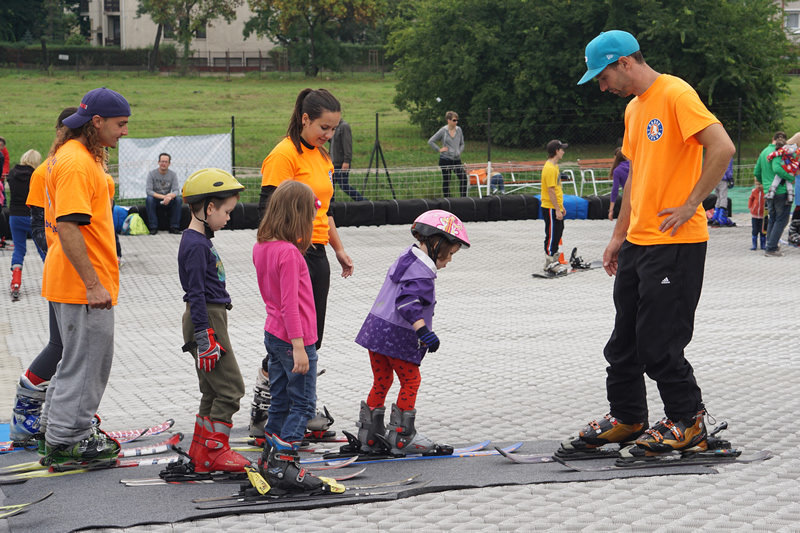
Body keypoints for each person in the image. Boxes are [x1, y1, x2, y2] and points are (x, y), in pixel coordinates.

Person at [562, 30, 735, 457]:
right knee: (624, 342)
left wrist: (692, 203)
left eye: (603, 77)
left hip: (676, 242)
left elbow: (722, 147)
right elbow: (637, 177)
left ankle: (688, 421)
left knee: (660, 341)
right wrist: (618, 236)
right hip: (638, 242)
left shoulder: (676, 94)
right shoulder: (634, 109)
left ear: (623, 62)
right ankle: (627, 417)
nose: (602, 87)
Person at [250, 88, 354, 440]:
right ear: (305, 118)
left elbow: (325, 210)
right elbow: (269, 211)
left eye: (334, 129)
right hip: (294, 252)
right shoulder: (284, 155)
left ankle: (300, 403)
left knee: (311, 337)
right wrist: (285, 255)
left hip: (318, 250)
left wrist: (338, 248)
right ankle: (267, 406)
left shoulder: (322, 157)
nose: (329, 135)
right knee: (287, 334)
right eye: (324, 127)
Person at [39, 87, 131, 464]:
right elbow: (68, 226)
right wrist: (93, 284)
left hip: (70, 278)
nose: (124, 131)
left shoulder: (76, 155)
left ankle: (54, 428)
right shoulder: (76, 162)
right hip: (81, 284)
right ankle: (69, 439)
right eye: (120, 124)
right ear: (96, 122)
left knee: (74, 361)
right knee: (90, 363)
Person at [353, 209, 469, 456]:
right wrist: (424, 332)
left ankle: (369, 435)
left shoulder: (406, 258)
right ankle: (402, 436)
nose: (449, 260)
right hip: (398, 338)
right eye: (450, 254)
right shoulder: (422, 274)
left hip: (376, 333)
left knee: (382, 380)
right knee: (411, 381)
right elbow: (407, 303)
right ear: (437, 243)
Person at [253, 180, 340, 494]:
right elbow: (290, 304)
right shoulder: (289, 253)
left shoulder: (262, 246)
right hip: (294, 340)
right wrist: (300, 347)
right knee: (302, 405)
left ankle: (268, 459)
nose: (312, 224)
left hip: (274, 334)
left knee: (279, 402)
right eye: (309, 218)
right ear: (296, 216)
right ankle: (283, 463)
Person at [8, 107, 76, 445]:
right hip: (65, 268)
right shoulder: (50, 169)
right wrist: (56, 258)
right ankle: (28, 412)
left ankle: (53, 412)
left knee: (65, 346)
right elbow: (40, 224)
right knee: (63, 345)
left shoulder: (73, 164)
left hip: (73, 268)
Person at [178, 168, 250, 473]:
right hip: (207, 318)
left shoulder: (198, 239)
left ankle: (201, 451)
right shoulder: (196, 245)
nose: (228, 218)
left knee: (212, 390)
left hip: (207, 317)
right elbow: (195, 293)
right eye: (226, 211)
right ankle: (216, 450)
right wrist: (205, 334)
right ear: (209, 208)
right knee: (232, 389)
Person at [6, 149, 46, 301]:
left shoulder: (12, 174)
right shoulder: (36, 175)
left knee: (19, 249)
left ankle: (16, 282)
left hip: (14, 216)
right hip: (31, 216)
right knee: (42, 248)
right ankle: (52, 279)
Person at [760, 139, 797, 256]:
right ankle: (771, 248)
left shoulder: (764, 153)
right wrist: (791, 177)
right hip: (781, 192)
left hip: (769, 191)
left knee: (773, 218)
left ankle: (770, 244)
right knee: (781, 220)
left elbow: (757, 172)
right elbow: (777, 169)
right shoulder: (779, 155)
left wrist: (765, 185)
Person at [540, 139, 569, 276]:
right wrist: (557, 209)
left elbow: (557, 189)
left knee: (558, 231)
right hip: (550, 207)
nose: (563, 152)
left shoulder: (555, 166)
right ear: (556, 151)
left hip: (556, 206)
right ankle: (549, 262)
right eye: (562, 149)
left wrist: (561, 207)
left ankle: (555, 259)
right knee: (552, 234)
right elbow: (551, 190)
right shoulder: (550, 168)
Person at [428, 111, 467, 197]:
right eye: (454, 120)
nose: (456, 122)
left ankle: (463, 199)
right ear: (448, 120)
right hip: (445, 159)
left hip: (456, 159)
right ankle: (448, 200)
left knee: (463, 178)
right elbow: (431, 141)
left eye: (457, 120)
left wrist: (459, 151)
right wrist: (439, 149)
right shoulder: (443, 131)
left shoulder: (459, 130)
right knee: (447, 180)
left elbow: (462, 144)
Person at [145, 152, 182, 235]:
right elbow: (149, 191)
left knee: (178, 200)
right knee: (149, 199)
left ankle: (174, 227)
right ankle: (153, 227)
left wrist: (170, 197)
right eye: (162, 161)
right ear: (158, 162)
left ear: (169, 163)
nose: (163, 164)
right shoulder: (151, 174)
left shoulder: (173, 175)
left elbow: (176, 190)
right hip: (156, 199)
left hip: (168, 200)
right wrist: (164, 197)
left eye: (166, 162)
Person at [330, 118, 365, 202]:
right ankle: (330, 206)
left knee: (344, 186)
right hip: (333, 163)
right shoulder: (334, 127)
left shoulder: (344, 127)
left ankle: (364, 202)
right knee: (330, 186)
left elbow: (347, 145)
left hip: (340, 163)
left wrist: (346, 161)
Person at [708, 158, 736, 227]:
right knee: (723, 197)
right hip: (723, 178)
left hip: (715, 178)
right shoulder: (728, 155)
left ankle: (715, 216)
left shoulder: (716, 154)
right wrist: (730, 178)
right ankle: (722, 218)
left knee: (718, 197)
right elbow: (728, 168)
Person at [608, 147, 630, 220]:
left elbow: (615, 190)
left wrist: (611, 210)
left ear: (615, 157)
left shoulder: (617, 171)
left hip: (628, 196)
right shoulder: (634, 165)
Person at [749, 184, 767, 251]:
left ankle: (763, 245)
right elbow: (751, 199)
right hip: (755, 215)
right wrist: (751, 208)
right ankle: (754, 245)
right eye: (757, 184)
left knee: (763, 231)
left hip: (763, 216)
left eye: (760, 184)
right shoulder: (754, 191)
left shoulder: (766, 192)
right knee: (755, 230)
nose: (759, 186)